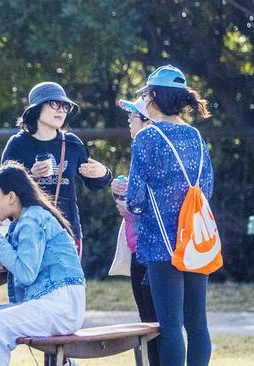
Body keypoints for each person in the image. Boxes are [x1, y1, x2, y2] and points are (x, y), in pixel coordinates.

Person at [0, 161, 85, 366]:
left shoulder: (33, 219)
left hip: (60, 306)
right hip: (39, 304)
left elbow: (26, 273)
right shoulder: (20, 223)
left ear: (11, 197)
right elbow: (14, 264)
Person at [125, 65, 214, 366]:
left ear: (152, 97)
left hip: (160, 244)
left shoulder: (147, 138)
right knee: (197, 325)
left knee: (171, 327)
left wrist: (134, 207)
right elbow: (207, 187)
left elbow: (135, 197)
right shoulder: (195, 136)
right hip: (195, 240)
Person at [1, 82, 112, 256]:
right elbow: (2, 189)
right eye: (54, 104)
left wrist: (104, 173)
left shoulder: (72, 144)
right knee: (29, 282)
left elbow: (96, 184)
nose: (61, 110)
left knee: (68, 283)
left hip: (66, 231)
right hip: (28, 231)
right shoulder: (18, 144)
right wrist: (30, 176)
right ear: (36, 108)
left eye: (65, 106)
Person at [111, 98, 159, 366]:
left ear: (147, 120)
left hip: (150, 251)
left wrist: (129, 204)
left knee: (154, 324)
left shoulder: (150, 148)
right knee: (148, 322)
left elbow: (147, 203)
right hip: (138, 250)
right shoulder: (141, 150)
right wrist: (126, 191)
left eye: (133, 117)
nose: (129, 122)